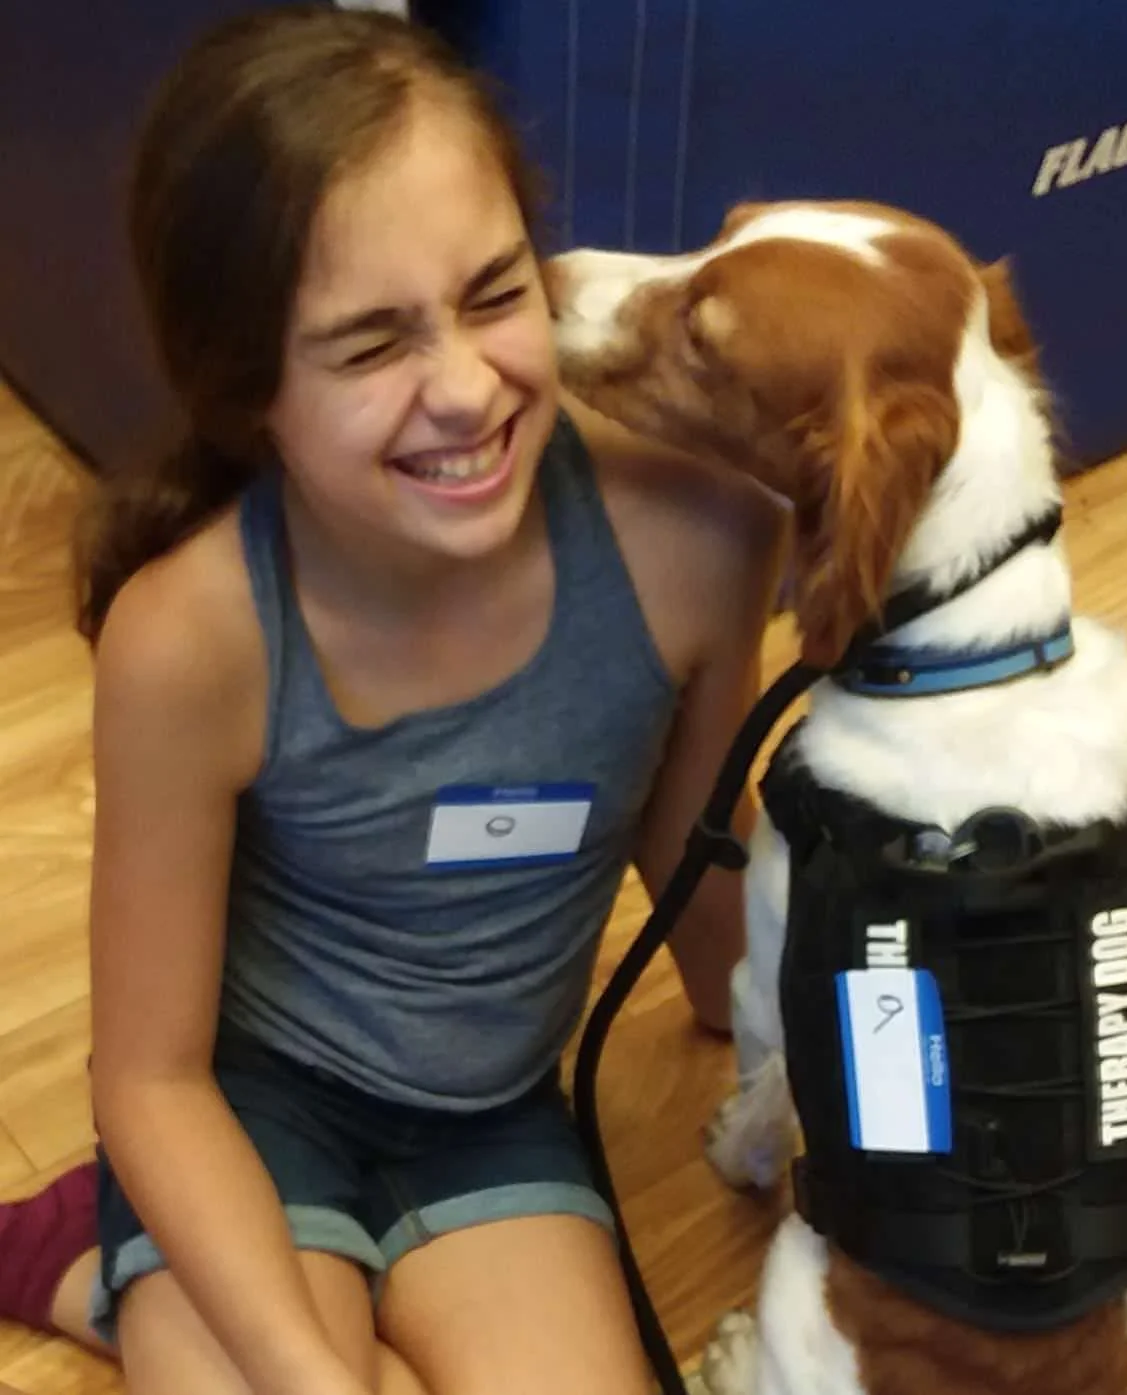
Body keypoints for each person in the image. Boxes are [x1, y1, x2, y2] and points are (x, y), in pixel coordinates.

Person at [0, 7, 786, 1395]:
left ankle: (129, 1288)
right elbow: (152, 1076)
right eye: (369, 348)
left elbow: (700, 884)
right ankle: (102, 1256)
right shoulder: (189, 635)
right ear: (250, 397)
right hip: (240, 1109)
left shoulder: (701, 538)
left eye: (494, 293)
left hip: (489, 1121)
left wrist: (810, 1070)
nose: (467, 388)